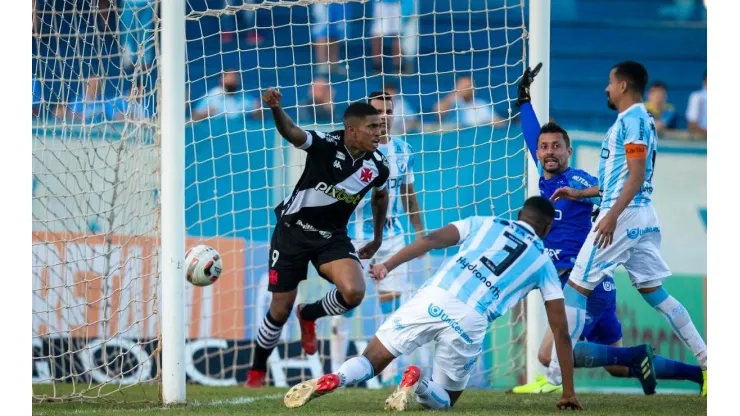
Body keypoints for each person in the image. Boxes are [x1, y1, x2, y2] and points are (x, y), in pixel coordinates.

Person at [283, 197, 583, 411]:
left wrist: (388, 264)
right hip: (471, 318)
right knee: (447, 399)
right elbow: (560, 332)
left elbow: (430, 239)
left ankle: (336, 377)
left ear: (519, 214)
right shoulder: (543, 263)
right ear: (546, 229)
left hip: (434, 296)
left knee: (373, 357)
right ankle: (419, 383)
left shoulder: (483, 223)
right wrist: (567, 392)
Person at [511, 65, 705, 395]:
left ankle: (559, 379)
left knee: (569, 304)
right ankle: (706, 367)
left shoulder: (631, 122)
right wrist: (525, 100)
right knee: (656, 295)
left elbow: (636, 172)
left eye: (610, 82)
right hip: (639, 215)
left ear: (623, 85)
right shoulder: (637, 121)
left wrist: (612, 213)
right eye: (544, 148)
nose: (606, 88)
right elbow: (537, 139)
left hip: (622, 218)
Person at [244, 88, 391, 387]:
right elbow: (293, 133)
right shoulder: (326, 143)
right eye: (372, 127)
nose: (380, 131)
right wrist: (275, 109)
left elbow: (380, 199)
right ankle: (256, 371)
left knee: (354, 292)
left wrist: (376, 238)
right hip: (292, 232)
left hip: (332, 237)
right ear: (351, 130)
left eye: (380, 125)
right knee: (279, 309)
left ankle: (309, 314)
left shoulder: (378, 166)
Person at [331, 90, 425, 385]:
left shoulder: (404, 150)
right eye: (377, 112)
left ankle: (390, 375)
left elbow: (409, 192)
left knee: (392, 309)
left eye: (388, 111)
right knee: (345, 303)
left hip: (393, 239)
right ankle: (336, 372)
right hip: (352, 239)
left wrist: (420, 231)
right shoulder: (351, 153)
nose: (384, 117)